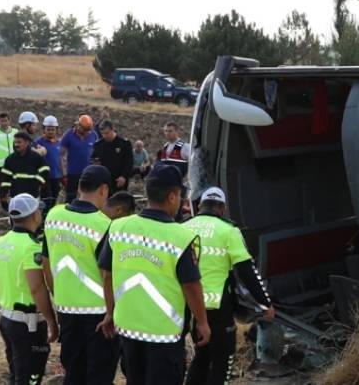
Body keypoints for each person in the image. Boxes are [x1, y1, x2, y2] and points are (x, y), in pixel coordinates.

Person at [96, 165, 211, 384]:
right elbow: (191, 286)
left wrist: (110, 313)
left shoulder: (119, 228)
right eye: (179, 196)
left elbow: (107, 275)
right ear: (172, 196)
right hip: (165, 335)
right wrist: (202, 323)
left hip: (128, 330)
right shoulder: (181, 236)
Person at [183, 187, 275, 385]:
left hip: (189, 305)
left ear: (199, 206)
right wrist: (265, 303)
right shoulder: (228, 231)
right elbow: (247, 271)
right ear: (222, 209)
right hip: (217, 308)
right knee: (223, 360)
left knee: (201, 356)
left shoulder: (183, 227)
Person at [43, 165, 119, 384]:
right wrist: (112, 312)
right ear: (104, 190)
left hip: (66, 309)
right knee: (99, 375)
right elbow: (107, 275)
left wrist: (58, 296)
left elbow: (46, 264)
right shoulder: (104, 226)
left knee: (73, 373)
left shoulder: (54, 215)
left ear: (79, 187)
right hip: (99, 316)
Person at [0, 194, 58, 385]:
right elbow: (36, 288)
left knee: (17, 375)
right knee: (31, 377)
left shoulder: (2, 241)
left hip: (8, 320)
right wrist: (52, 321)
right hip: (29, 325)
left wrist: (2, 294)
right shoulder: (32, 246)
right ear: (35, 216)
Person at [0, 132, 50, 209]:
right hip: (15, 197)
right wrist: (3, 194)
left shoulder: (36, 157)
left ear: (27, 143)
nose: (16, 145)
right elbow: (5, 179)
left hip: (32, 196)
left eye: (19, 142)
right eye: (15, 142)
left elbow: (45, 170)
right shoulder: (10, 159)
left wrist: (36, 183)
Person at [60, 114, 97, 203]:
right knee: (70, 199)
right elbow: (61, 154)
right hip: (72, 173)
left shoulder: (93, 135)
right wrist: (63, 172)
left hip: (88, 173)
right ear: (78, 125)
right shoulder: (68, 135)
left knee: (87, 199)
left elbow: (97, 153)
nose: (86, 132)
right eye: (84, 130)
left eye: (88, 130)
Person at [91, 120, 133, 195]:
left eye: (107, 133)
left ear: (112, 129)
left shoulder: (124, 143)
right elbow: (93, 159)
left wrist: (124, 176)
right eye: (102, 133)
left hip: (119, 181)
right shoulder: (98, 145)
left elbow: (129, 162)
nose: (105, 136)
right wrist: (95, 163)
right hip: (104, 182)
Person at [36, 116, 63, 213]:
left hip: (56, 176)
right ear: (44, 129)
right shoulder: (38, 143)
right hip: (44, 178)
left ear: (56, 130)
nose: (50, 131)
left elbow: (60, 160)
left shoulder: (59, 143)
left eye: (53, 129)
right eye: (48, 129)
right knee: (46, 200)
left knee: (55, 199)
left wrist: (62, 175)